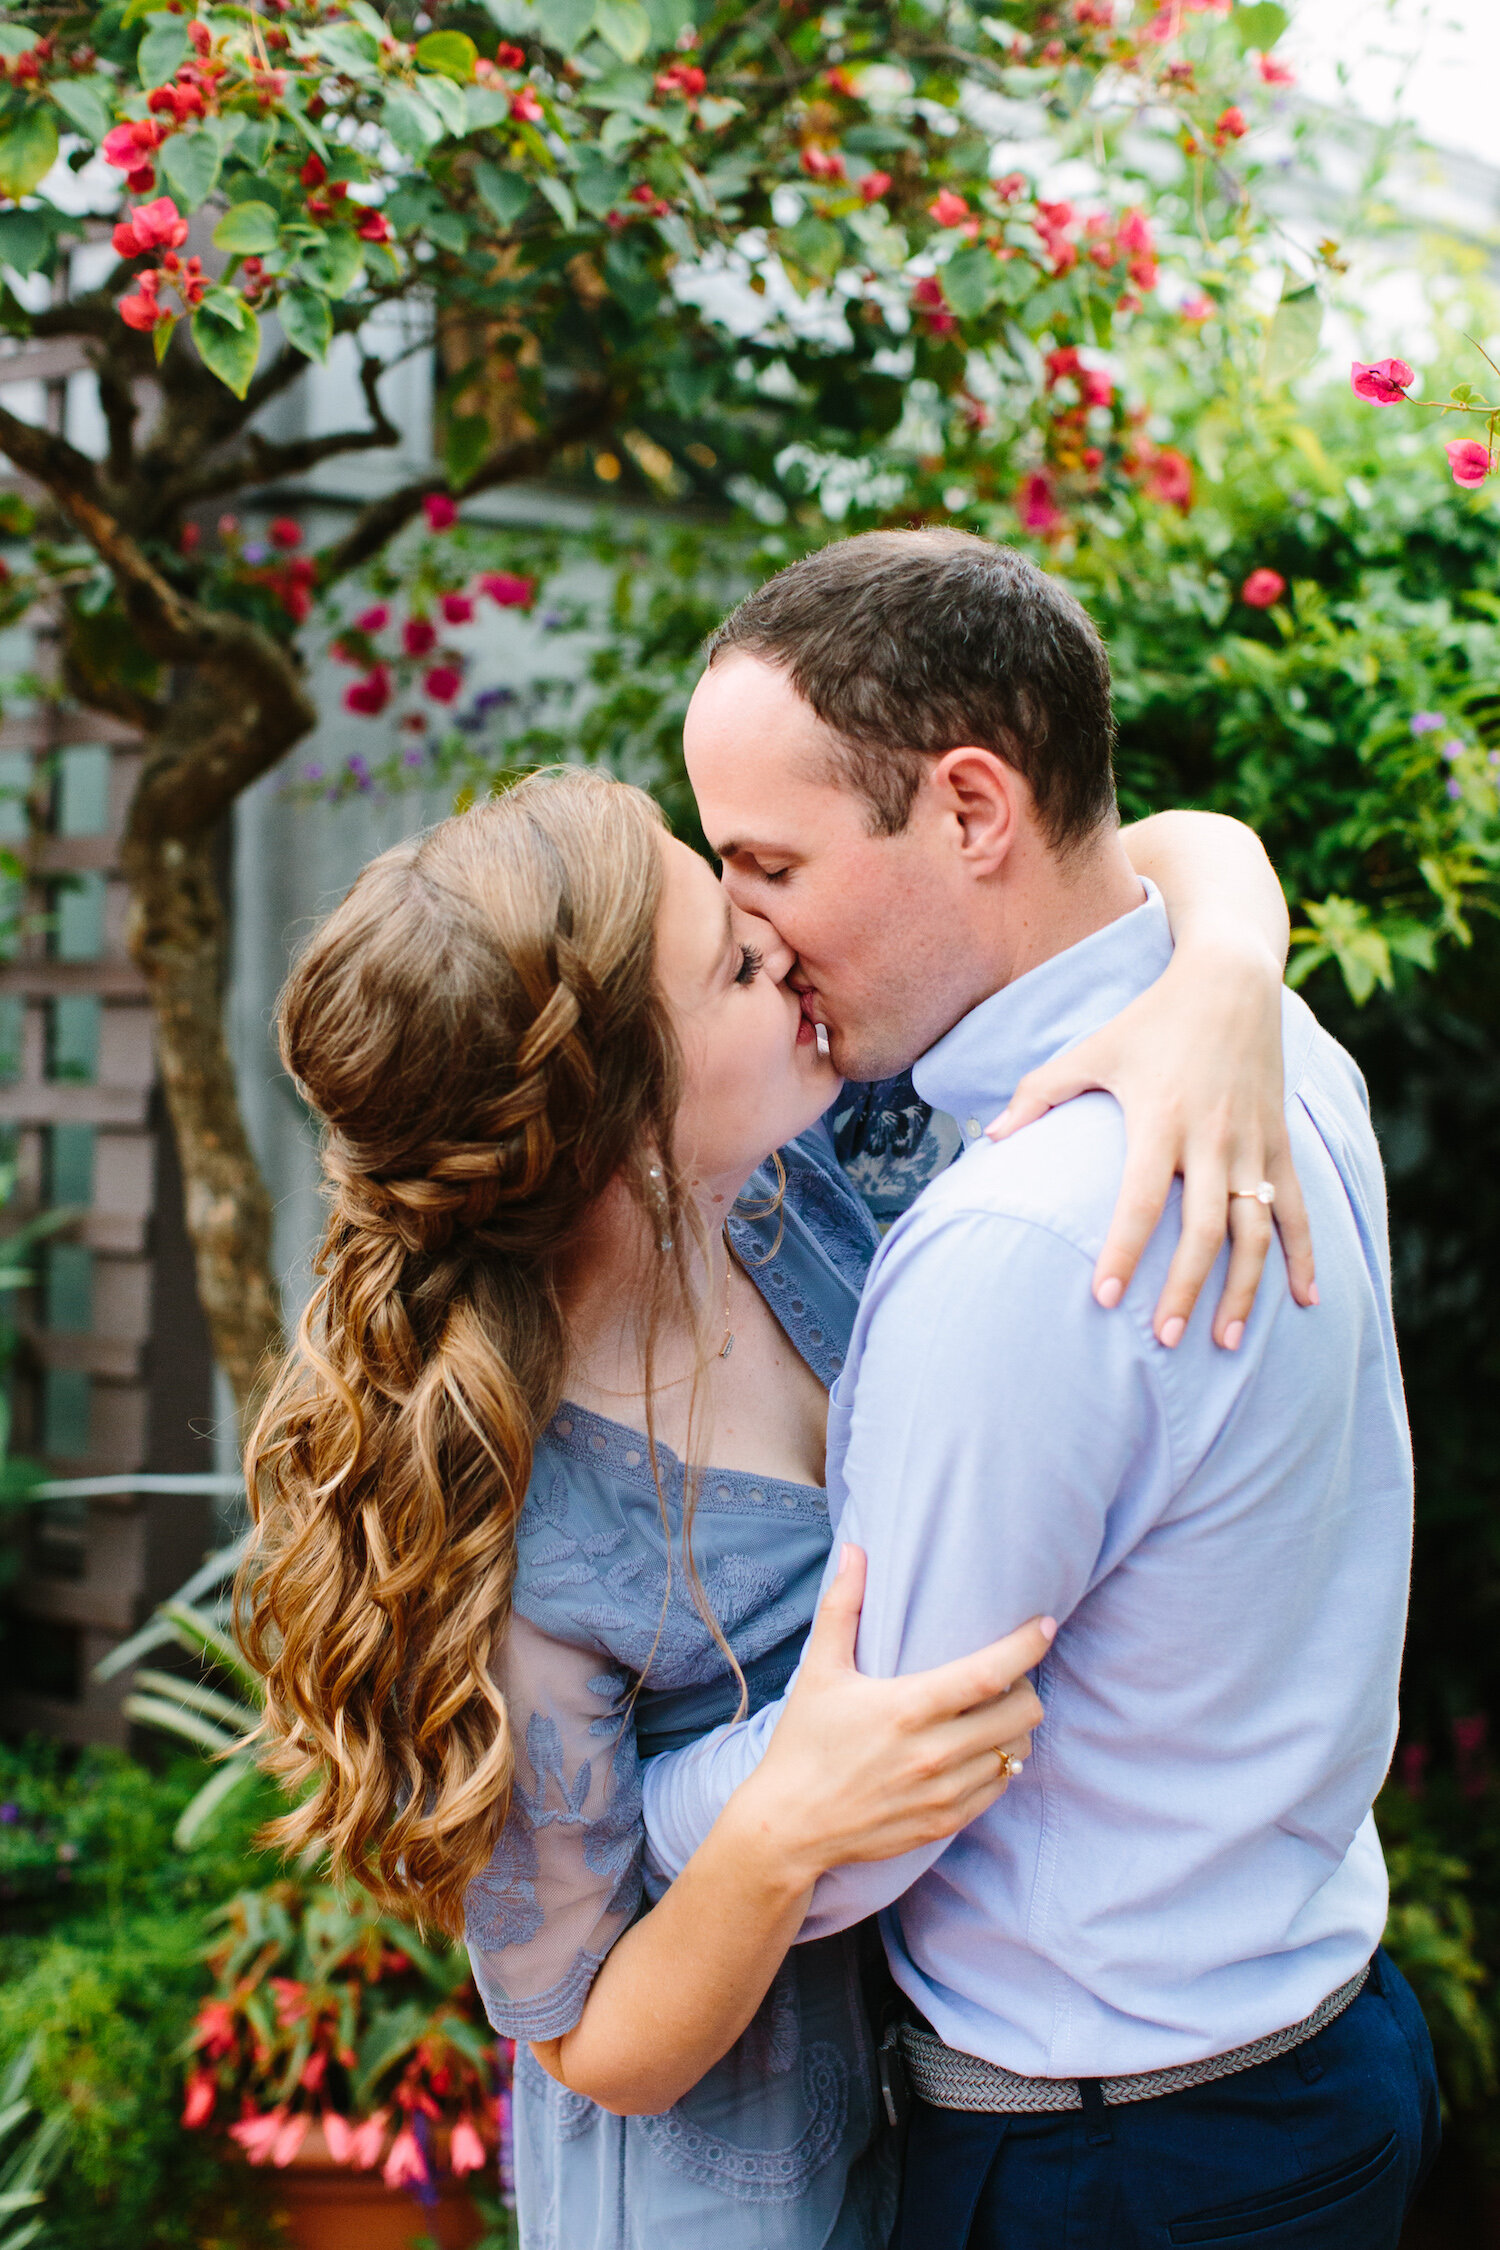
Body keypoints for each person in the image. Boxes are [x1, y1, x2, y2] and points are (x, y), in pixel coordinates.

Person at [241, 702, 1313, 2242]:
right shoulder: (528, 1520)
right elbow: (593, 2037)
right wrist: (778, 1821)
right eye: (734, 963)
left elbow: (1144, 855)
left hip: (957, 2077)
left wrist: (1223, 975)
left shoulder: (786, 1172)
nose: (781, 946)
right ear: (620, 1126)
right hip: (725, 2193)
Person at [640, 529, 1441, 2250]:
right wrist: (1232, 940)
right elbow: (1172, 856)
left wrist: (592, 1794)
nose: (751, 936)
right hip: (1313, 2048)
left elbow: (874, 1801)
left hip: (1116, 2162)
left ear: (975, 811)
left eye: (767, 864)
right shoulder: (1278, 1042)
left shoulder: (1021, 1237)